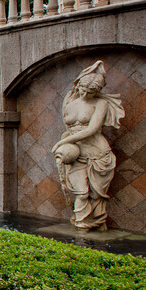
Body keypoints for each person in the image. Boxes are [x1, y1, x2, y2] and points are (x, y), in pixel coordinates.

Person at [52, 61, 124, 231]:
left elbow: (92, 129)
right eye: (83, 89)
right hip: (75, 153)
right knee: (81, 192)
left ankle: (97, 224)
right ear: (78, 85)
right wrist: (66, 144)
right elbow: (68, 127)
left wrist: (63, 142)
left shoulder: (101, 103)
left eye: (90, 92)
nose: (84, 94)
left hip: (97, 154)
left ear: (97, 92)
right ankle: (81, 224)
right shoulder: (69, 102)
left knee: (96, 194)